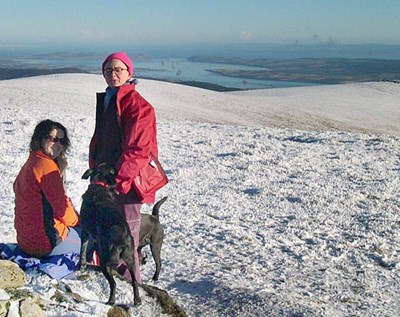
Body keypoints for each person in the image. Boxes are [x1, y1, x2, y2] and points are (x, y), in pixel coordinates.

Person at [89, 51, 160, 283]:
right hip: (106, 183)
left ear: (130, 72)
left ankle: (131, 287)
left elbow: (137, 150)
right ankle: (108, 281)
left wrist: (117, 182)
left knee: (126, 239)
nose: (113, 74)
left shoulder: (138, 106)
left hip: (126, 186)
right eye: (108, 70)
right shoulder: (111, 99)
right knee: (106, 234)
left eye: (119, 69)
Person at [13, 119, 80, 258]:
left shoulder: (32, 161)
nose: (58, 145)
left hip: (25, 240)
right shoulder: (47, 166)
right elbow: (63, 211)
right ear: (40, 138)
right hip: (45, 244)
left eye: (62, 141)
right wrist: (79, 221)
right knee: (86, 235)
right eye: (53, 139)